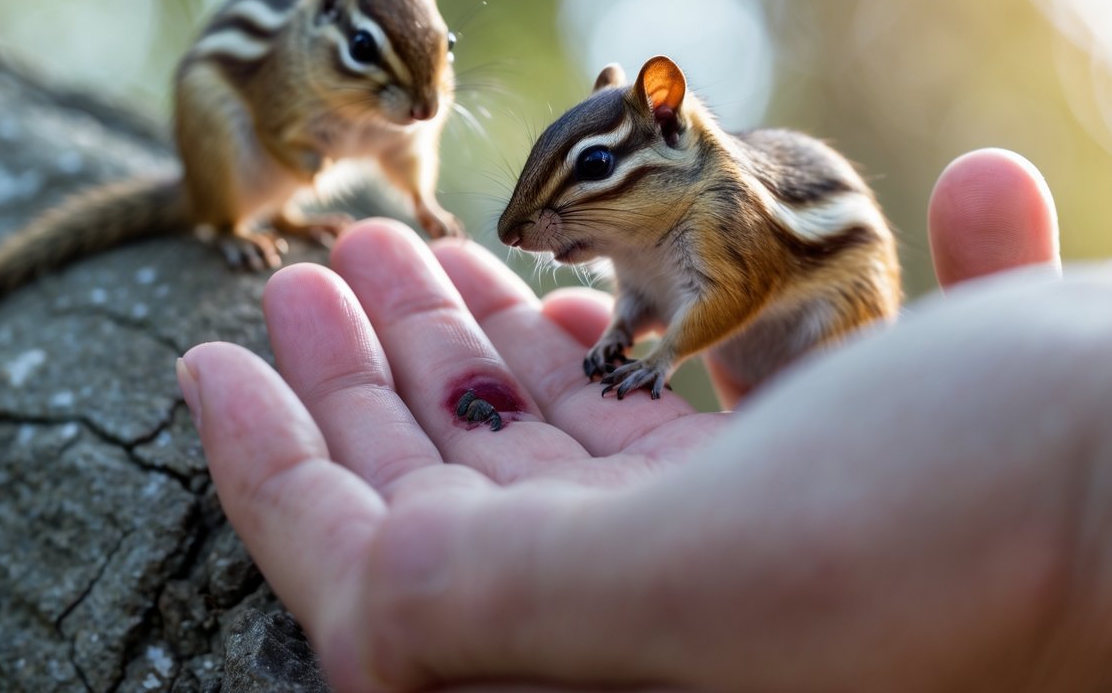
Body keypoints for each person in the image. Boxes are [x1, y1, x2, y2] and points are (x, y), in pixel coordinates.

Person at [177, 149, 1111, 692]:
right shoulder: (646, 235)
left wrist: (663, 358)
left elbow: (726, 289)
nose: (536, 226)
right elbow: (648, 294)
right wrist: (631, 325)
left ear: (665, 135)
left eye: (583, 181)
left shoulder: (719, 212)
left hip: (829, 326)